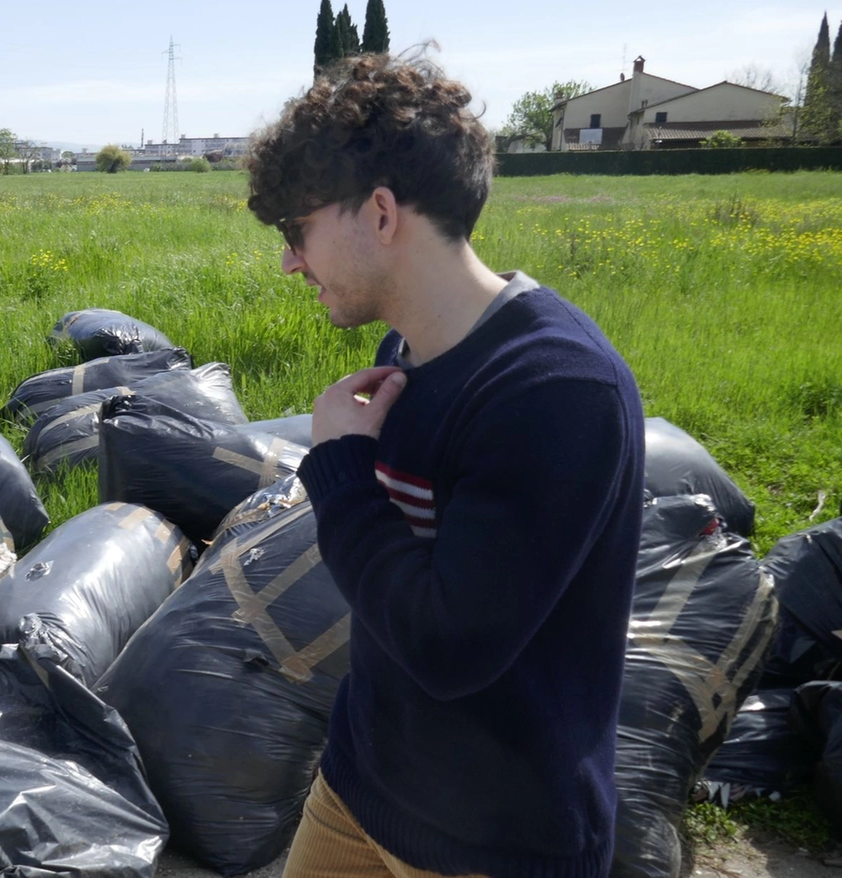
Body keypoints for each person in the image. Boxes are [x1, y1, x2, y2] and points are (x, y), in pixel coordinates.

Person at [245, 53, 645, 878]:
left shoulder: (557, 391)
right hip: (361, 788)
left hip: (498, 843)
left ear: (381, 213)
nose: (290, 261)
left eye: (296, 229)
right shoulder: (409, 352)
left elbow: (449, 646)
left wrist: (343, 470)